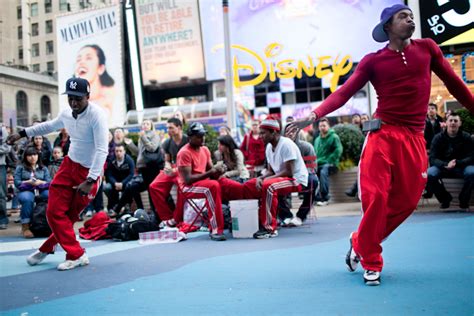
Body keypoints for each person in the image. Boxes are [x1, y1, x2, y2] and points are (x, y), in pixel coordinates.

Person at [288, 4, 473, 286]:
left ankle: (360, 240)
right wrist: (312, 116)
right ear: (388, 25)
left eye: (412, 16)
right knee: (376, 198)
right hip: (382, 136)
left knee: (408, 201)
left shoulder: (428, 48)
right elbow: (343, 92)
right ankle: (372, 260)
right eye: (403, 16)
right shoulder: (373, 61)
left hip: (413, 139)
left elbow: (455, 85)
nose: (410, 20)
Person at [7, 77, 108, 270]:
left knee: (68, 217)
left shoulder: (97, 115)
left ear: (88, 96)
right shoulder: (67, 113)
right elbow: (47, 126)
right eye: (70, 98)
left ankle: (47, 248)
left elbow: (102, 150)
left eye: (78, 98)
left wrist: (91, 179)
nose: (74, 102)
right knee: (53, 212)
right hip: (69, 165)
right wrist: (22, 134)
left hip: (89, 171)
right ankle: (77, 254)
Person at [175, 122, 227, 241]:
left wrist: (220, 171)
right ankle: (215, 229)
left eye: (203, 135)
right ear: (190, 138)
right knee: (213, 186)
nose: (202, 138)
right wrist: (212, 172)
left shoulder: (205, 149)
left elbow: (211, 172)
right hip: (187, 187)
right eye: (199, 136)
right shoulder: (184, 153)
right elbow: (188, 180)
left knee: (226, 183)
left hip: (202, 182)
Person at [427, 112, 473, 209]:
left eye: (455, 121)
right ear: (446, 123)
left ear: (460, 123)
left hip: (462, 166)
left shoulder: (466, 137)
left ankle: (464, 200)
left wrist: (458, 162)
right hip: (443, 167)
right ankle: (445, 199)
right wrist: (446, 164)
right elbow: (433, 158)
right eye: (450, 120)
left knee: (472, 172)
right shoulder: (438, 138)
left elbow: (472, 155)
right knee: (430, 173)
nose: (453, 123)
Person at [149, 118, 189, 227]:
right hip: (173, 167)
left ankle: (177, 218)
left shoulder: (188, 140)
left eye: (171, 127)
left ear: (179, 127)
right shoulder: (167, 142)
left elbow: (191, 162)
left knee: (182, 187)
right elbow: (167, 159)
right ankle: (167, 218)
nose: (168, 130)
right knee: (154, 186)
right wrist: (167, 167)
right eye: (167, 128)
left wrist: (175, 170)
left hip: (185, 169)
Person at [116, 119, 161, 214]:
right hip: (143, 167)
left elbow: (152, 148)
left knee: (151, 188)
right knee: (143, 187)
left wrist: (143, 137)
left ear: (151, 126)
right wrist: (130, 144)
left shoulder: (154, 135)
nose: (145, 125)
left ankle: (154, 210)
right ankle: (146, 210)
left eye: (147, 123)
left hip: (151, 167)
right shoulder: (142, 137)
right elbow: (139, 153)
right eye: (143, 123)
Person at [14, 146, 51, 238]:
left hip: (41, 189)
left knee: (50, 196)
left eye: (34, 154)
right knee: (27, 199)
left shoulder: (43, 168)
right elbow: (17, 182)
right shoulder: (20, 168)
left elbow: (49, 182)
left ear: (38, 156)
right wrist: (28, 182)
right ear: (25, 157)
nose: (32, 157)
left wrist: (40, 182)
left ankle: (49, 224)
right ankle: (25, 227)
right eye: (29, 155)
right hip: (26, 189)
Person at [75, 44, 115, 119]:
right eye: (78, 60)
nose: (81, 62)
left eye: (88, 58)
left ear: (101, 68)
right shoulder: (70, 103)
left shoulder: (109, 101)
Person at [314, 118, 343, 206]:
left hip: (331, 163)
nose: (322, 128)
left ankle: (325, 197)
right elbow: (314, 154)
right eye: (320, 126)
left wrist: (329, 160)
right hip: (318, 164)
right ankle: (316, 197)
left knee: (323, 172)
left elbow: (339, 150)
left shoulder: (334, 137)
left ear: (328, 126)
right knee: (311, 175)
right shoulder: (317, 140)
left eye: (324, 126)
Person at [103, 144, 135, 213]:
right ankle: (115, 205)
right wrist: (115, 183)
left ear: (124, 151)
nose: (118, 153)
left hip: (125, 183)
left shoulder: (129, 160)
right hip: (114, 183)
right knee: (106, 187)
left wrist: (122, 183)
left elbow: (131, 174)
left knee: (130, 186)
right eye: (117, 151)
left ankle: (127, 206)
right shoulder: (111, 161)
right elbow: (109, 174)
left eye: (120, 151)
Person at [0, 124, 11, 230]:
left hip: (0, 166)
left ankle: (2, 219)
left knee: (1, 194)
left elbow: (7, 146)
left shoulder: (2, 129)